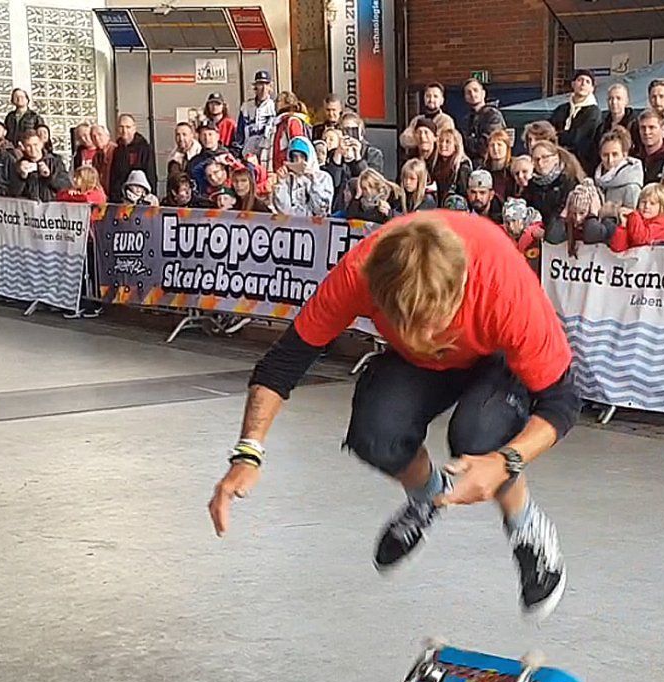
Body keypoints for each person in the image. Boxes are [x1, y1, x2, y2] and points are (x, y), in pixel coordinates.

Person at [205, 212, 576, 617]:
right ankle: (426, 498)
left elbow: (561, 402)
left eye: (436, 325)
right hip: (415, 365)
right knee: (374, 433)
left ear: (459, 291)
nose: (429, 339)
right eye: (410, 324)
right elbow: (283, 364)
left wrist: (506, 461)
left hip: (494, 359)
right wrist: (247, 454)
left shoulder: (503, 288)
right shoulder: (359, 272)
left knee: (478, 437)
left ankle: (527, 527)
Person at [551, 70, 604, 176]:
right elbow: (549, 131)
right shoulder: (561, 109)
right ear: (573, 84)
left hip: (582, 166)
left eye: (587, 82)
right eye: (580, 80)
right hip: (558, 164)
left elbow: (576, 138)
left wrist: (557, 136)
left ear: (592, 89)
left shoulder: (594, 112)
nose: (583, 84)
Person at [272, 137, 336, 217]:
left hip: (316, 227)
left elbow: (321, 210)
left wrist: (313, 181)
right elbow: (283, 210)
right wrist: (281, 183)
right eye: (295, 157)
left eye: (302, 157)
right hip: (293, 226)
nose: (298, 161)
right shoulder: (288, 179)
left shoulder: (323, 178)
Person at [521, 142, 576, 223]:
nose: (540, 163)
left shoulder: (568, 181)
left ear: (556, 158)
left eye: (545, 157)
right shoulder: (531, 185)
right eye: (536, 159)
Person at [592, 131, 644, 215]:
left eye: (615, 154)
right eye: (605, 155)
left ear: (624, 155)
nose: (610, 160)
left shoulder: (631, 187)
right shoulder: (596, 181)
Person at [610, 183, 664, 252]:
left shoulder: (662, 224)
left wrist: (634, 215)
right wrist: (623, 226)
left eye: (652, 203)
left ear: (662, 207)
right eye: (643, 202)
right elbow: (618, 248)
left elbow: (641, 239)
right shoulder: (635, 220)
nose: (647, 206)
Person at [107, 114, 156, 201]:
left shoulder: (144, 148)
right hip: (120, 198)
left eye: (128, 127)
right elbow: (114, 176)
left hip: (140, 198)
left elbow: (151, 174)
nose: (124, 131)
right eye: (121, 127)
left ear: (134, 128)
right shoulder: (118, 149)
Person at [459, 78, 507, 164]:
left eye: (475, 90)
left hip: (489, 164)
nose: (472, 94)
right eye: (468, 92)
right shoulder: (466, 120)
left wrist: (467, 142)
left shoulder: (493, 116)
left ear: (483, 93)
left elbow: (486, 145)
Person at [10, 132, 70, 202]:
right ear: (23, 147)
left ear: (41, 144)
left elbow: (66, 186)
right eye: (28, 146)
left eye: (35, 145)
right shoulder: (19, 165)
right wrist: (22, 177)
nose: (33, 149)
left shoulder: (55, 162)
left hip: (51, 207)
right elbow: (13, 193)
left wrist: (48, 177)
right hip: (29, 208)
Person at [237, 70, 278, 160]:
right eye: (260, 84)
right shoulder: (246, 106)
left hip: (267, 152)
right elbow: (240, 133)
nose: (263, 88)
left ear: (270, 87)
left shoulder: (274, 106)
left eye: (266, 84)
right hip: (248, 152)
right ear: (255, 87)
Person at [428, 127, 473, 207]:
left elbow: (465, 195)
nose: (443, 144)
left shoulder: (462, 167)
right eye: (441, 141)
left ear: (456, 145)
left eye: (447, 142)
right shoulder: (434, 164)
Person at [268, 92, 311, 173]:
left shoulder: (292, 121)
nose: (275, 104)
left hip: (288, 170)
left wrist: (294, 166)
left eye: (278, 101)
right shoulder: (280, 122)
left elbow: (297, 146)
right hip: (280, 170)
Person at [633, 110, 664, 183]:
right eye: (643, 128)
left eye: (652, 127)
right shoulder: (634, 159)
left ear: (662, 128)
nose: (647, 132)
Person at [597, 83, 638, 153]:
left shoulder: (635, 124)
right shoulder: (601, 126)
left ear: (626, 101)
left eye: (618, 98)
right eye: (610, 98)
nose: (614, 102)